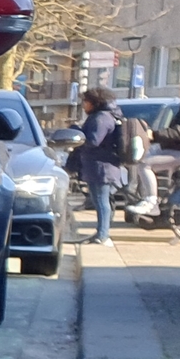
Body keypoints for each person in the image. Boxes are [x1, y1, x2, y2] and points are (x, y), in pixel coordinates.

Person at [68, 87, 126, 242]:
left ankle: (103, 235)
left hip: (101, 166)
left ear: (94, 102)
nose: (83, 105)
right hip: (102, 165)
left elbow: (93, 141)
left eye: (85, 101)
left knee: (101, 201)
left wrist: (76, 131)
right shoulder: (106, 116)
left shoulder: (100, 118)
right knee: (100, 201)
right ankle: (101, 233)